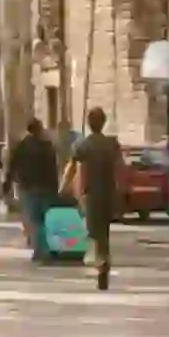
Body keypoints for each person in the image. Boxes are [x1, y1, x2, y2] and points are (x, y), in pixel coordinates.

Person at [60, 107, 125, 290]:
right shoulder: (112, 144)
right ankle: (103, 261)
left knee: (94, 232)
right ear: (103, 123)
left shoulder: (82, 145)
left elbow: (71, 168)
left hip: (91, 194)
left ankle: (100, 262)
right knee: (103, 232)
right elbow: (120, 168)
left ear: (89, 123)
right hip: (109, 193)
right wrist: (121, 190)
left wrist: (63, 186)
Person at [4, 118, 59, 261]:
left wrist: (7, 185)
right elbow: (53, 168)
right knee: (45, 219)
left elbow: (12, 166)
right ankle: (45, 249)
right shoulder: (47, 146)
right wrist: (56, 188)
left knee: (34, 220)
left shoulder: (21, 146)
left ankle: (40, 250)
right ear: (39, 129)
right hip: (47, 187)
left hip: (28, 187)